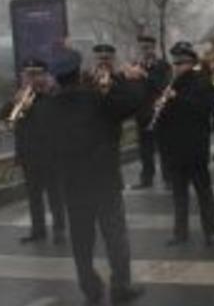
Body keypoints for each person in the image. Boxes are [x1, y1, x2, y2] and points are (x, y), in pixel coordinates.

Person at [44, 46, 147, 304]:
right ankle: (120, 286)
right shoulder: (97, 99)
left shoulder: (49, 108)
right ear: (79, 72)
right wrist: (127, 78)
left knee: (81, 240)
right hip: (104, 180)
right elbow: (133, 103)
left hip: (72, 184)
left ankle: (90, 288)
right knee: (115, 235)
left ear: (56, 78)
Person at [152, 42, 214, 246]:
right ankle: (180, 233)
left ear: (192, 63)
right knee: (179, 193)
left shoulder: (202, 81)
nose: (177, 67)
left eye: (181, 63)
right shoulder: (170, 82)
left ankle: (210, 232)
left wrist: (177, 99)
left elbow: (204, 108)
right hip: (175, 147)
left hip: (195, 145)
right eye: (175, 63)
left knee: (203, 191)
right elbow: (165, 117)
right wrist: (159, 108)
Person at [0, 58, 65, 245]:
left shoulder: (54, 95)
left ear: (45, 76)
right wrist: (15, 101)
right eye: (28, 74)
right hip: (29, 154)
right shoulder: (20, 97)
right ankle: (38, 230)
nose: (32, 78)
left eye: (36, 74)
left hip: (51, 154)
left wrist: (49, 91)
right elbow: (5, 117)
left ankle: (59, 229)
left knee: (55, 194)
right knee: (34, 196)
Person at [132, 35, 172, 190]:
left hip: (158, 110)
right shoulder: (136, 65)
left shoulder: (163, 66)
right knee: (144, 148)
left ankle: (168, 178)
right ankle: (146, 178)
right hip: (142, 111)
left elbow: (163, 86)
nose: (145, 51)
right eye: (142, 48)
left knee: (164, 146)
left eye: (147, 48)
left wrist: (146, 75)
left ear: (153, 48)